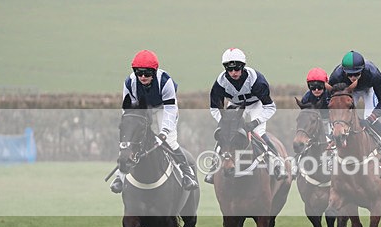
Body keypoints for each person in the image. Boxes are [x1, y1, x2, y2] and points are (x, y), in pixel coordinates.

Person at [110, 49, 199, 193]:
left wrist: (164, 133)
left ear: (154, 72)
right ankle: (119, 177)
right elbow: (128, 110)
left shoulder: (165, 82)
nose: (143, 77)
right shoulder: (130, 82)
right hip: (143, 109)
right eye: (139, 73)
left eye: (147, 74)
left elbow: (170, 110)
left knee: (170, 141)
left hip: (164, 108)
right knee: (130, 142)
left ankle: (187, 174)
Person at [206, 47, 286, 183]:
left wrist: (255, 122)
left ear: (243, 67)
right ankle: (213, 166)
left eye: (236, 69)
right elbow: (214, 108)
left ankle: (277, 163)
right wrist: (224, 122)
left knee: (258, 132)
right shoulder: (220, 83)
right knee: (225, 134)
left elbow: (270, 107)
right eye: (229, 69)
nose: (233, 73)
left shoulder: (257, 81)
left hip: (256, 105)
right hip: (235, 107)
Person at [327, 50, 381, 149]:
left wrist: (371, 118)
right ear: (344, 71)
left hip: (369, 90)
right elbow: (329, 99)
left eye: (357, 74)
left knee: (368, 116)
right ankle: (336, 141)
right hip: (349, 92)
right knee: (344, 116)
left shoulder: (373, 73)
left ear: (362, 69)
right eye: (349, 75)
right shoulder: (336, 76)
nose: (353, 77)